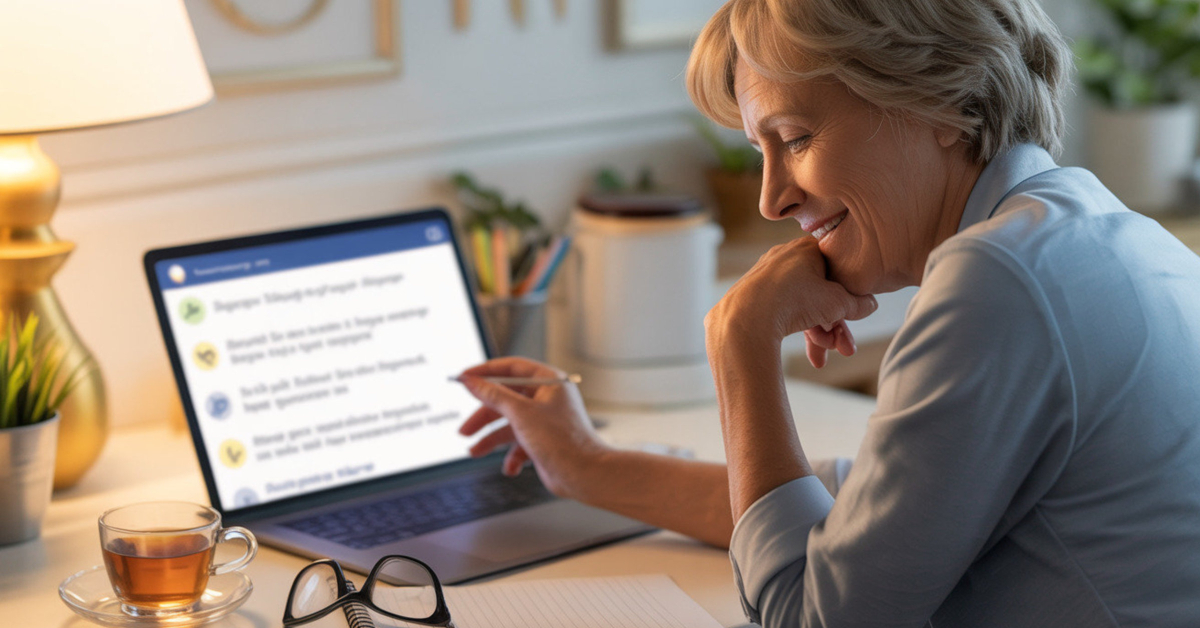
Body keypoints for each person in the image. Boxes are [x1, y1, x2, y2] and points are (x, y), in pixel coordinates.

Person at [456, 0, 1200, 625]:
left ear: (939, 98)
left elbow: (808, 613)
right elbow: (861, 518)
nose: (771, 199)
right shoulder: (1102, 232)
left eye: (796, 139)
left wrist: (740, 343)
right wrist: (584, 465)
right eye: (761, 151)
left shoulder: (995, 279)